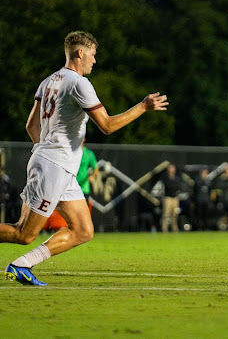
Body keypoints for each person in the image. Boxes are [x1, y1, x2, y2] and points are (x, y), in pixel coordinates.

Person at [1, 30, 168, 286]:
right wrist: (143, 107)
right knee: (24, 233)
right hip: (53, 166)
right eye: (93, 54)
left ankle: (21, 265)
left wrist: (47, 150)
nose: (94, 60)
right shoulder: (79, 83)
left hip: (57, 166)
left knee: (83, 230)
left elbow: (31, 127)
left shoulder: (47, 82)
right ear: (81, 52)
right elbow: (107, 125)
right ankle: (21, 262)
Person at [43, 137, 99, 232]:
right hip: (69, 187)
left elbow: (95, 168)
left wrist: (92, 176)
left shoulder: (89, 154)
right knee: (68, 211)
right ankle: (71, 230)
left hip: (84, 188)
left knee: (82, 213)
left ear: (84, 139)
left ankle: (81, 231)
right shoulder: (70, 152)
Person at [159, 164, 183, 232]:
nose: (171, 170)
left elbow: (178, 186)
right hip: (168, 198)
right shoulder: (165, 177)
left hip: (175, 198)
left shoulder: (176, 178)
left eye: (173, 168)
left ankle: (174, 228)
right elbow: (168, 185)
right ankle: (164, 228)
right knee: (166, 214)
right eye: (170, 168)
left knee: (174, 214)